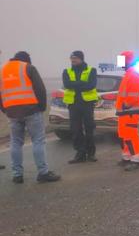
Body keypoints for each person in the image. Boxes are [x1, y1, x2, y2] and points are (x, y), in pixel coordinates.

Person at [0, 51, 60, 183]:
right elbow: (40, 89)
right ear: (27, 60)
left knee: (15, 142)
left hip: (12, 113)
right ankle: (43, 173)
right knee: (38, 141)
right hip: (31, 110)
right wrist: (42, 107)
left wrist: (5, 109)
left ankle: (17, 175)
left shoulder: (2, 70)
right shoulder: (28, 67)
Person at [62, 50, 99, 163]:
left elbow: (91, 85)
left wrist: (75, 85)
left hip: (87, 104)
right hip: (73, 104)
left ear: (81, 59)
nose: (73, 60)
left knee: (89, 128)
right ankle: (80, 154)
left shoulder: (91, 70)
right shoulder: (66, 71)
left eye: (75, 58)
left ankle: (91, 154)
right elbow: (67, 84)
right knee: (76, 130)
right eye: (71, 58)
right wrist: (82, 84)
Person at [115, 50, 139, 171]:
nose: (120, 64)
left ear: (128, 60)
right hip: (125, 112)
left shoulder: (133, 74)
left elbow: (134, 95)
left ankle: (135, 160)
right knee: (123, 136)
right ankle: (126, 158)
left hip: (130, 111)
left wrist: (126, 105)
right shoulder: (128, 74)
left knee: (131, 136)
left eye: (121, 61)